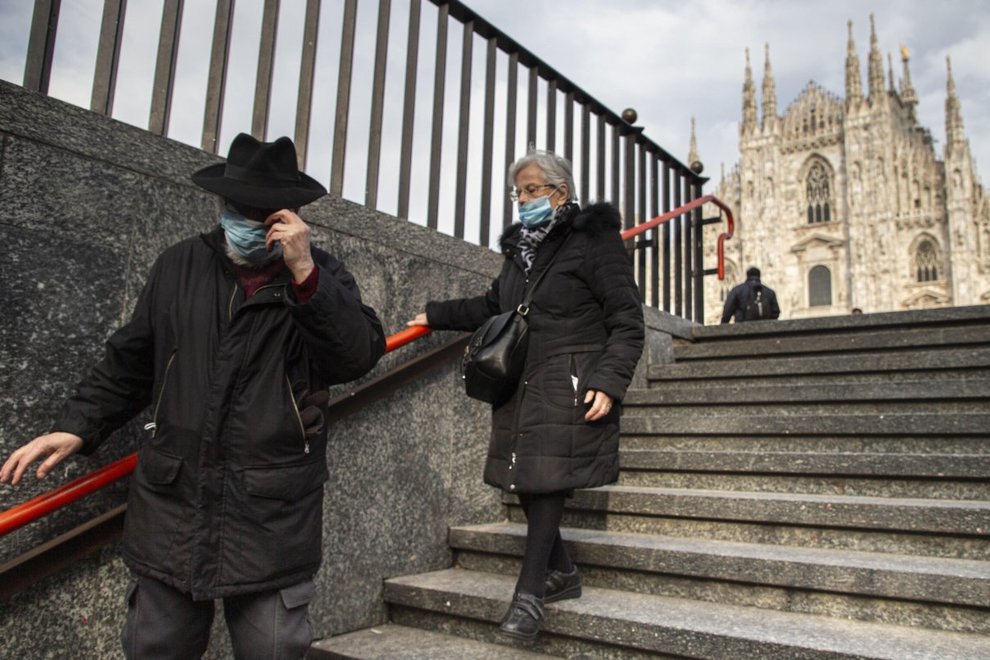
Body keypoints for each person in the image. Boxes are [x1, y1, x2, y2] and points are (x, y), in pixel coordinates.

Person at [0, 133, 386, 659]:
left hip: (271, 514)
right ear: (221, 206)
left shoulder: (323, 274)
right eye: (238, 210)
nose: (248, 225)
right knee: (155, 648)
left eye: (264, 215)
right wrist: (77, 425)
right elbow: (131, 361)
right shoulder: (179, 265)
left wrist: (305, 274)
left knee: (272, 651)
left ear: (291, 217)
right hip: (172, 506)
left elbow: (357, 355)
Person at [408, 149, 644, 640]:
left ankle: (530, 598)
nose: (523, 200)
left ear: (561, 192)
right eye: (519, 192)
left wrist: (609, 379)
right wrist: (434, 314)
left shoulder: (594, 240)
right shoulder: (520, 251)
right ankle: (561, 572)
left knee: (546, 480)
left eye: (532, 190)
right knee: (525, 479)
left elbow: (627, 320)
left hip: (571, 378)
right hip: (521, 379)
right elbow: (495, 304)